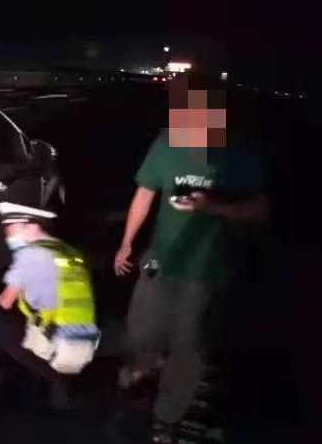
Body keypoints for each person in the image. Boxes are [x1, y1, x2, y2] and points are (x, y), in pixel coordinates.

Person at [113, 74, 267, 443]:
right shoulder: (166, 143)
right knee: (140, 330)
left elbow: (259, 211)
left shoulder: (235, 153)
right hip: (158, 260)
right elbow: (144, 194)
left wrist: (211, 206)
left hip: (206, 270)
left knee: (189, 347)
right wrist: (126, 243)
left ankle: (166, 418)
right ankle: (144, 369)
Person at [0, 202, 99, 409]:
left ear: (31, 226)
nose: (8, 237)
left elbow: (5, 302)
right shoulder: (67, 251)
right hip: (82, 346)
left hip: (56, 349)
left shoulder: (30, 255)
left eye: (11, 230)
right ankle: (48, 375)